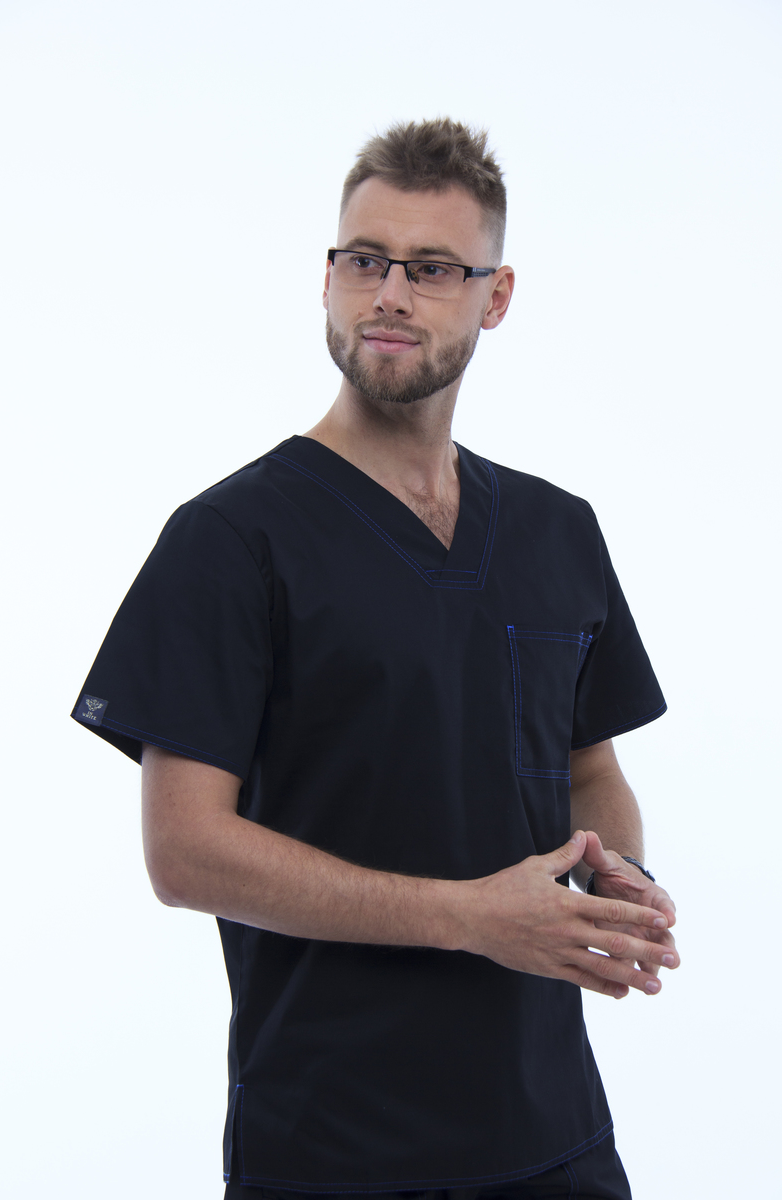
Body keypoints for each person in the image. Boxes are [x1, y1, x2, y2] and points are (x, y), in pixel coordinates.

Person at [72, 119, 679, 1200]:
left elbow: (590, 771)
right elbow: (184, 853)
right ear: (327, 277)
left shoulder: (557, 531)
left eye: (433, 268)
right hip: (332, 1153)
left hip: (557, 1144)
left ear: (494, 297)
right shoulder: (232, 540)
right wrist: (469, 919)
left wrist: (616, 876)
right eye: (365, 259)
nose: (390, 295)